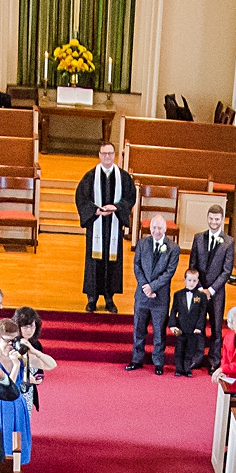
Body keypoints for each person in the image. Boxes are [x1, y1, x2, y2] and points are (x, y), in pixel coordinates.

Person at [75, 143, 136, 312]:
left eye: (110, 153)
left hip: (114, 226)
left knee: (112, 262)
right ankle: (92, 298)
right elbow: (81, 198)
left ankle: (109, 298)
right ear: (99, 155)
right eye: (104, 154)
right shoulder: (90, 177)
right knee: (94, 261)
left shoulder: (123, 177)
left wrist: (116, 207)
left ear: (114, 155)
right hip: (96, 225)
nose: (107, 157)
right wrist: (95, 210)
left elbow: (130, 197)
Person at [0, 319, 50, 465]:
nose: (11, 345)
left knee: (19, 443)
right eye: (7, 341)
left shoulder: (19, 356)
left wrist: (31, 356)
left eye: (15, 340)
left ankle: (16, 472)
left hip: (18, 404)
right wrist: (15, 366)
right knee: (4, 444)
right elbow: (6, 390)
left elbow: (50, 364)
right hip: (0, 406)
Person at [126, 214, 179, 373]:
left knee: (159, 331)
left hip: (160, 297)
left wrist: (153, 287)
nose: (157, 231)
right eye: (154, 228)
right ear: (150, 228)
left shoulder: (173, 248)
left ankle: (158, 362)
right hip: (142, 295)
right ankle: (136, 359)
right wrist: (145, 286)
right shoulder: (142, 244)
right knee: (139, 329)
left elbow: (169, 272)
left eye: (160, 228)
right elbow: (137, 266)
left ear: (165, 229)